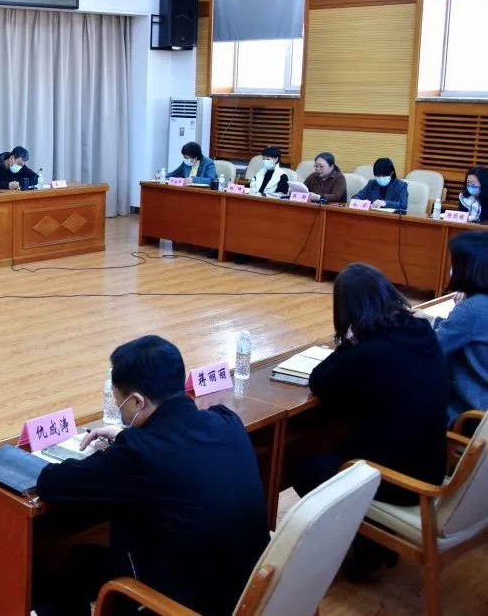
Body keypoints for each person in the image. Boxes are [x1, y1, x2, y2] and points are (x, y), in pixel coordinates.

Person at [36, 336, 269, 616]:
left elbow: (52, 483)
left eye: (121, 405)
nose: (122, 414)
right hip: (249, 594)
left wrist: (127, 444)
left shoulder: (139, 454)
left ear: (137, 401)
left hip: (184, 606)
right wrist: (128, 437)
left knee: (77, 562)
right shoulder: (226, 422)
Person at [290, 263, 447, 580]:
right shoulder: (421, 331)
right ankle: (374, 541)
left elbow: (320, 380)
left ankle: (368, 550)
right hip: (431, 464)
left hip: (398, 482)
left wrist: (348, 341)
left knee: (302, 467)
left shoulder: (370, 353)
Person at [421, 232, 488, 426]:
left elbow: (430, 348)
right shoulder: (478, 303)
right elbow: (466, 332)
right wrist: (433, 320)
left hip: (471, 413)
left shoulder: (472, 308)